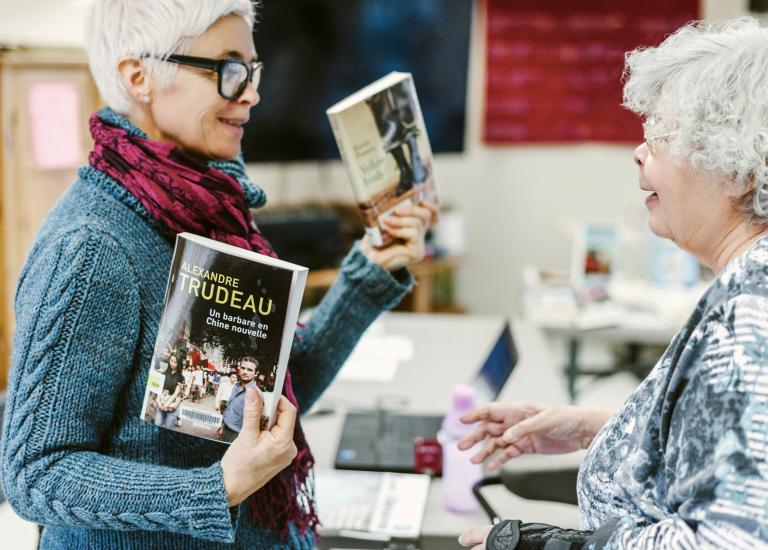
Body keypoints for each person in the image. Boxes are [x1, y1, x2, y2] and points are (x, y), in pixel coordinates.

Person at [0, 1, 437, 548]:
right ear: (138, 77)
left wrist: (370, 269)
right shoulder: (92, 248)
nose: (252, 93)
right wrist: (215, 489)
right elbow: (35, 474)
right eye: (228, 70)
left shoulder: (210, 210)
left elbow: (267, 394)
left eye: (252, 70)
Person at [458, 17, 768, 550]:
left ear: (739, 170)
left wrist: (536, 544)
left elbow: (725, 541)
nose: (639, 152)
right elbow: (726, 443)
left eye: (662, 135)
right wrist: (594, 426)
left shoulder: (749, 316)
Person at [218, 357, 263, 443]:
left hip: (238, 436)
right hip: (225, 429)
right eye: (243, 368)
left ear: (256, 373)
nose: (245, 372)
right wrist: (222, 427)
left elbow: (256, 425)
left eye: (249, 370)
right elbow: (228, 408)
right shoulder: (236, 386)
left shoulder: (256, 394)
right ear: (239, 369)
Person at [154, 353, 185, 429]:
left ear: (179, 363)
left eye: (175, 362)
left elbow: (175, 394)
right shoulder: (164, 371)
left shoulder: (181, 377)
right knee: (157, 423)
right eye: (171, 361)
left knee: (168, 427)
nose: (172, 363)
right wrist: (158, 401)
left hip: (171, 405)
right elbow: (159, 387)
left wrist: (166, 405)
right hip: (161, 401)